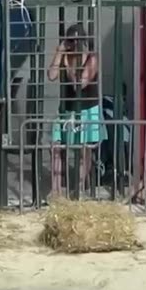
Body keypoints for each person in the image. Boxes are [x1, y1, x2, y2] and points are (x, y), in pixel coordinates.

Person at [47, 23, 100, 196]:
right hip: (66, 109)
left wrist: (70, 66)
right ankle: (55, 190)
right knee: (56, 147)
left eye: (77, 41)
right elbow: (51, 75)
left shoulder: (91, 59)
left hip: (87, 109)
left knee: (85, 150)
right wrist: (60, 52)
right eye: (71, 41)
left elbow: (80, 84)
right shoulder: (65, 55)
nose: (74, 44)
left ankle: (78, 188)